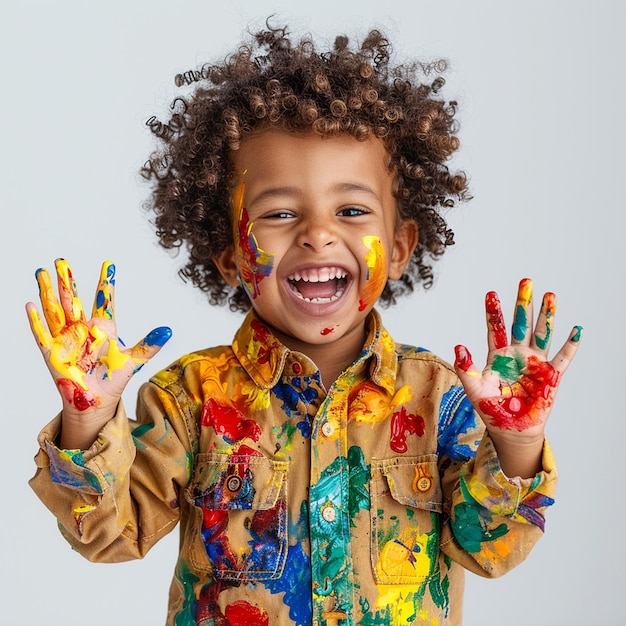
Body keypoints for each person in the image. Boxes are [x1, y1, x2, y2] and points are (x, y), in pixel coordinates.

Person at [26, 22, 582, 626]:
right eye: (280, 212)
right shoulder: (190, 400)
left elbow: (489, 549)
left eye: (351, 209)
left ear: (399, 246)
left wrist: (519, 444)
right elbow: (107, 535)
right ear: (232, 253)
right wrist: (87, 421)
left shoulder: (440, 400)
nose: (318, 232)